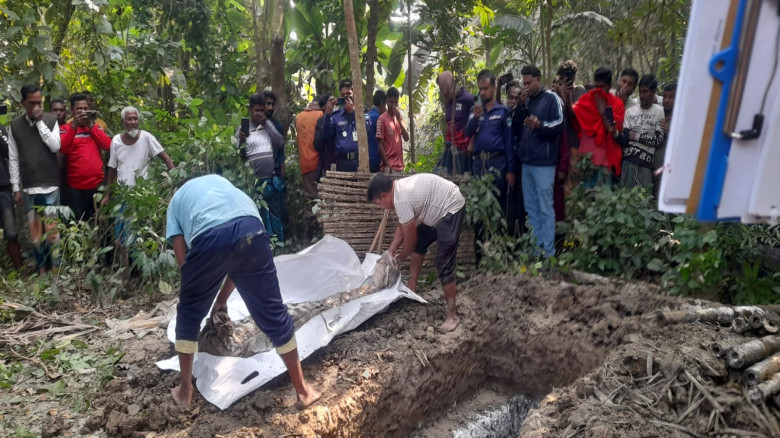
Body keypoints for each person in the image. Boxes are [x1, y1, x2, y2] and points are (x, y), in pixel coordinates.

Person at [166, 174, 321, 408]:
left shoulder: (176, 202)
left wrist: (198, 295)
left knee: (188, 313)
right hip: (253, 229)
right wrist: (220, 301)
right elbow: (239, 264)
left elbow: (184, 264)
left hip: (210, 236)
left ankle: (185, 392)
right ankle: (303, 391)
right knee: (274, 314)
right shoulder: (222, 183)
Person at [367, 173, 465, 332]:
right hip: (434, 210)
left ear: (384, 195)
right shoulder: (398, 191)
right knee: (421, 242)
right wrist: (390, 251)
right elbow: (402, 227)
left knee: (444, 262)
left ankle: (452, 316)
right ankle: (412, 287)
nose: (381, 207)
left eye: (379, 203)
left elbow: (409, 240)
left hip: (450, 207)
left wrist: (398, 260)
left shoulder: (402, 199)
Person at [8, 84, 62, 273]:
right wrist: (16, 188)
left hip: (51, 187)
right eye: (32, 103)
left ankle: (55, 269)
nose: (36, 107)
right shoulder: (15, 126)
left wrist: (40, 123)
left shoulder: (51, 120)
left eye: (39, 103)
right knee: (35, 234)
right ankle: (41, 269)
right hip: (30, 188)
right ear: (23, 103)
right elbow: (13, 158)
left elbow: (56, 146)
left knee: (53, 232)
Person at [516, 65, 564, 257]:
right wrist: (521, 105)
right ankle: (536, 251)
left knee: (545, 208)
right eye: (524, 83)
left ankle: (549, 252)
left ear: (538, 80)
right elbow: (518, 125)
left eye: (529, 82)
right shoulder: (528, 100)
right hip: (527, 163)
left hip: (544, 164)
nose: (526, 86)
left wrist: (540, 125)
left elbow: (559, 123)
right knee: (531, 209)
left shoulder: (551, 99)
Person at [232, 92, 285, 242]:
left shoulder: (269, 125)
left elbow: (280, 142)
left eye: (262, 110)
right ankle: (266, 251)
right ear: (250, 110)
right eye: (257, 111)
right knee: (259, 220)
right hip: (255, 184)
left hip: (272, 182)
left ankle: (280, 249)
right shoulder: (243, 127)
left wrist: (266, 124)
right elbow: (240, 155)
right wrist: (241, 141)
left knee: (276, 220)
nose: (260, 114)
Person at [102, 106, 175, 207]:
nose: (133, 122)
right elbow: (112, 168)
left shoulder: (147, 137)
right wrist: (107, 195)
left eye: (135, 119)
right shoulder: (116, 141)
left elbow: (166, 159)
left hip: (143, 193)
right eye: (129, 119)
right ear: (123, 122)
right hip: (123, 194)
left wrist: (175, 179)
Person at [59, 93, 112, 221]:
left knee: (100, 223)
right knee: (79, 224)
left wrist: (91, 125)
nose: (83, 111)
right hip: (76, 189)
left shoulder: (96, 127)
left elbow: (108, 146)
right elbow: (63, 149)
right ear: (73, 110)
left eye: (85, 108)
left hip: (97, 186)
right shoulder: (65, 129)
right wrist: (74, 125)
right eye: (79, 109)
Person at [465, 70, 515, 199]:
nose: (482, 92)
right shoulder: (474, 110)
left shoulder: (503, 112)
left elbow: (509, 142)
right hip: (478, 163)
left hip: (497, 164)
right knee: (479, 202)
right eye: (480, 89)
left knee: (497, 202)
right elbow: (467, 132)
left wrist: (510, 170)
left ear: (493, 88)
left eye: (485, 88)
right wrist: (475, 118)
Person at [572, 67, 626, 187]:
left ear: (610, 85)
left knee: (606, 201)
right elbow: (573, 115)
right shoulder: (586, 99)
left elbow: (615, 129)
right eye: (596, 87)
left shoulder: (617, 103)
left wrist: (602, 111)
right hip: (588, 162)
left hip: (607, 163)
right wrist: (564, 95)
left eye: (602, 87)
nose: (598, 91)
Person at [617, 74, 665, 190]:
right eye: (640, 91)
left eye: (646, 92)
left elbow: (658, 140)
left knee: (643, 201)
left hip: (645, 165)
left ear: (654, 92)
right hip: (628, 162)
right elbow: (626, 137)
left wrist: (637, 137)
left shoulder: (659, 111)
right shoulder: (630, 111)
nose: (642, 95)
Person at [320, 79, 372, 172]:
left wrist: (353, 112)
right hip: (342, 162)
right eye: (343, 95)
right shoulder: (336, 115)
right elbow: (326, 136)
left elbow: (368, 130)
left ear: (354, 94)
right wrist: (327, 115)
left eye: (348, 94)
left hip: (360, 161)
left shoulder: (362, 112)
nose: (345, 97)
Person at [294, 96, 323, 237]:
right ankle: (318, 235)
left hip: (305, 164)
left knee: (309, 201)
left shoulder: (299, 117)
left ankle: (306, 236)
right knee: (322, 200)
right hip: (318, 164)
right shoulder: (321, 115)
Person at [436, 71, 474, 175]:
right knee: (441, 175)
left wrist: (471, 142)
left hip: (463, 147)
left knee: (460, 178)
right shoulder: (448, 102)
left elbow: (476, 120)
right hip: (450, 146)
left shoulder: (467, 98)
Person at [264, 91, 289, 235]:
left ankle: (279, 249)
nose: (270, 107)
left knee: (276, 218)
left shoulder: (277, 126)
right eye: (267, 103)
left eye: (272, 104)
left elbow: (281, 153)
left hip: (274, 179)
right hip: (258, 179)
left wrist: (282, 177)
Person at [505, 81, 527, 236]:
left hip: (521, 162)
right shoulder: (504, 113)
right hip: (507, 162)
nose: (513, 100)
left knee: (521, 201)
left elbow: (517, 126)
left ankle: (521, 235)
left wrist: (521, 106)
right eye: (511, 97)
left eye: (517, 97)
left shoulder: (523, 111)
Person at [0, 124, 23, 270]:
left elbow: (10, 152)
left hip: (3, 190)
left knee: (11, 233)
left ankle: (19, 270)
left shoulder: (0, 129)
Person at [552, 75, 573, 223]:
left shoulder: (566, 105)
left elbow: (564, 142)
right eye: (554, 84)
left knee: (562, 202)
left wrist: (563, 167)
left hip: (564, 163)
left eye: (559, 83)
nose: (555, 86)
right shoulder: (548, 104)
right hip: (548, 164)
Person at [376, 87, 409, 174]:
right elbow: (380, 146)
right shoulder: (381, 119)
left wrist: (398, 119)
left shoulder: (400, 118)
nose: (393, 105)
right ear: (386, 100)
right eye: (391, 102)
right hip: (387, 168)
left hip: (400, 167)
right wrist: (388, 166)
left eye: (396, 102)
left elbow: (406, 138)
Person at [314, 94, 337, 180]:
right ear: (324, 107)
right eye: (330, 101)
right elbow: (318, 145)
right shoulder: (321, 121)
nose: (334, 103)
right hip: (328, 163)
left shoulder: (340, 117)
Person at [368, 90, 386, 172]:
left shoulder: (367, 116)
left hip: (365, 159)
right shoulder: (379, 119)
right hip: (376, 160)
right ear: (382, 103)